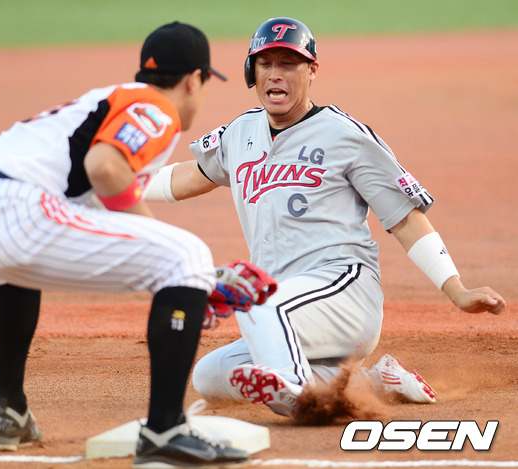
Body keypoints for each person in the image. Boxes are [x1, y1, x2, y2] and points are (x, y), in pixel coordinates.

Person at [141, 17, 507, 418]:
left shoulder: (345, 136)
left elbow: (405, 218)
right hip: (285, 309)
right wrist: (118, 183)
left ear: (312, 70)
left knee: (257, 302)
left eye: (289, 63)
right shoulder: (240, 134)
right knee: (210, 375)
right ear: (251, 72)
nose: (275, 74)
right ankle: (375, 381)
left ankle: (299, 397)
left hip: (345, 294)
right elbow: (186, 177)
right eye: (265, 64)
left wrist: (457, 290)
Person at [0, 22, 251, 468]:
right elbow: (105, 168)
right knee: (187, 256)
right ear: (194, 79)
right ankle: (166, 430)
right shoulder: (156, 106)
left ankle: (10, 410)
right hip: (13, 205)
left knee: (18, 266)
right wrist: (189, 277)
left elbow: (93, 191)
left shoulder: (105, 100)